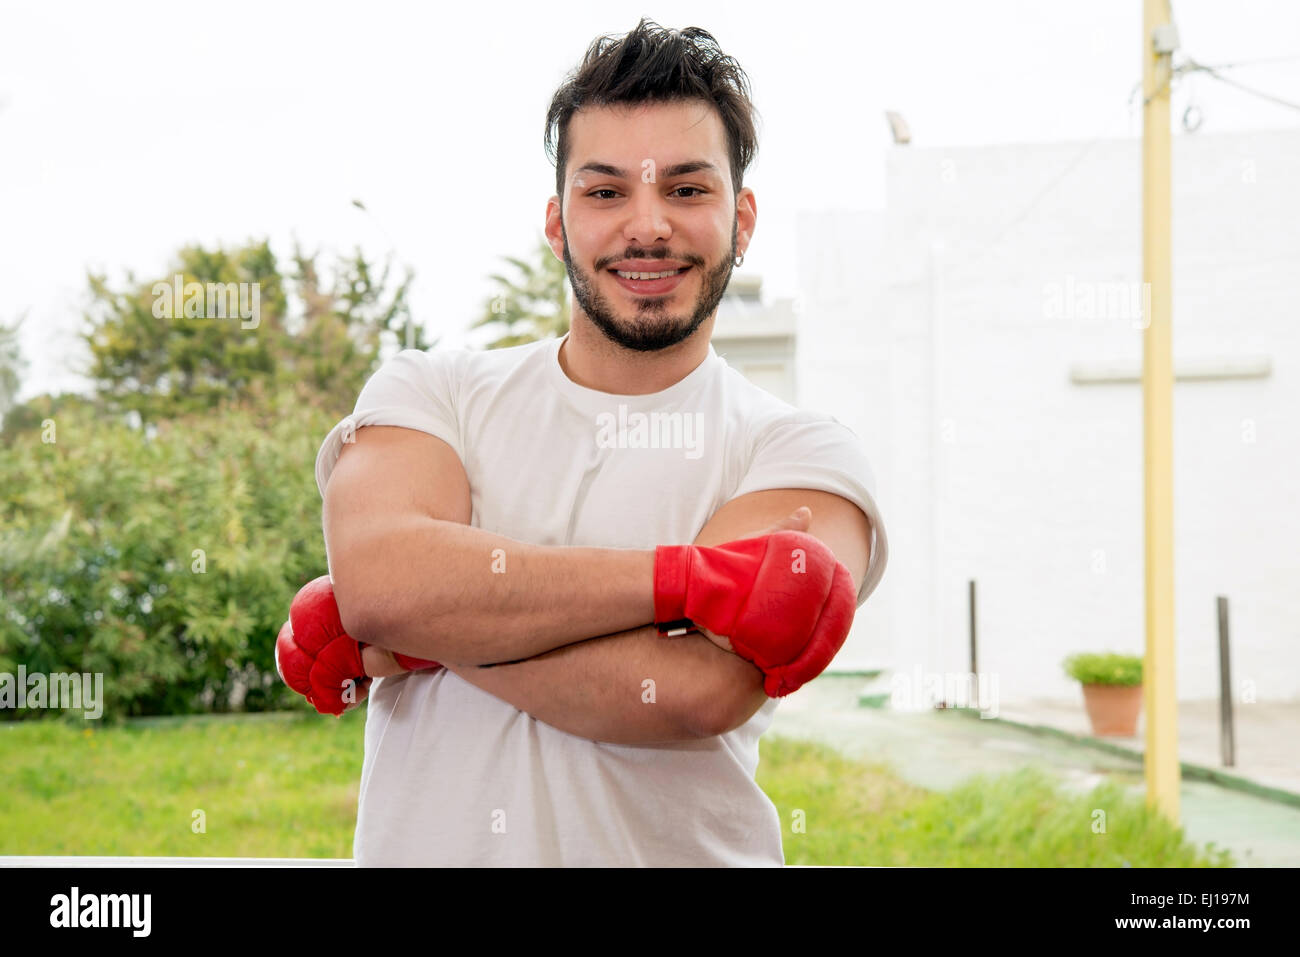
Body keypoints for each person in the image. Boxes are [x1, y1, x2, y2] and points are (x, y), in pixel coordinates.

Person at [310, 18, 889, 866]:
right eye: (606, 191)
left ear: (744, 218)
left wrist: (417, 640)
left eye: (688, 190)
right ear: (557, 221)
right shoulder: (431, 392)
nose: (647, 227)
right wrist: (686, 582)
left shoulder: (803, 457)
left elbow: (691, 691)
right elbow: (383, 582)